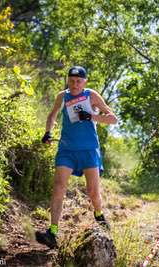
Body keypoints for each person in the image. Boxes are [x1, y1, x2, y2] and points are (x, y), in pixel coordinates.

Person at [35, 66, 118, 249]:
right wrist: (47, 133)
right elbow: (52, 115)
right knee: (58, 187)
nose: (74, 84)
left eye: (78, 81)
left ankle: (98, 214)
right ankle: (53, 232)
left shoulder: (91, 95)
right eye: (71, 80)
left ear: (84, 82)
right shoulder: (62, 96)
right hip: (67, 150)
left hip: (89, 150)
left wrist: (91, 116)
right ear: (67, 80)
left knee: (93, 192)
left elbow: (113, 119)